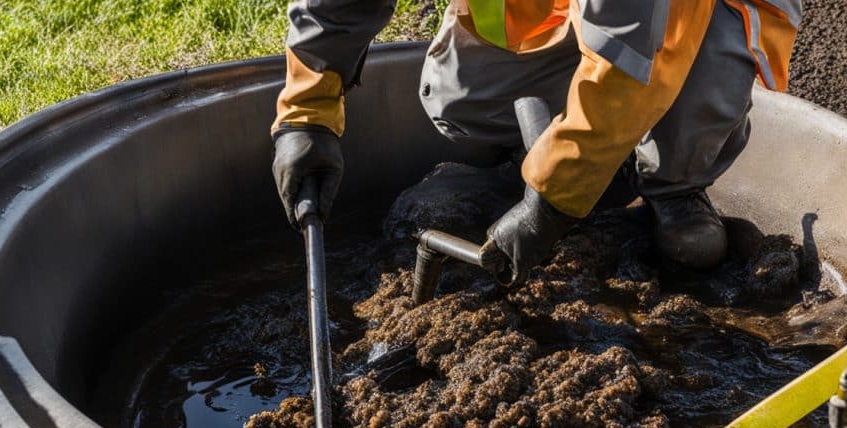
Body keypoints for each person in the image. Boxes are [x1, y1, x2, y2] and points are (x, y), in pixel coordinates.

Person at [271, 0, 801, 282]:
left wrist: (550, 204)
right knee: (456, 95)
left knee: (678, 93)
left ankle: (674, 186)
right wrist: (308, 111)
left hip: (697, 16)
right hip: (583, 12)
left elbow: (634, 54)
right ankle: (583, 158)